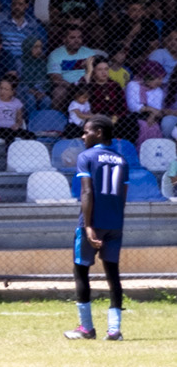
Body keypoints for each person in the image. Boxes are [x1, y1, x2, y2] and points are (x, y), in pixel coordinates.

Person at [67, 117, 131, 341]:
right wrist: (115, 220)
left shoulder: (86, 157)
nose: (83, 136)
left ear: (99, 132)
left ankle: (86, 328)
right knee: (112, 274)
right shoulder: (122, 160)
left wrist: (88, 226)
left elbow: (86, 192)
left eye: (86, 132)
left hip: (92, 222)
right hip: (115, 223)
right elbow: (122, 196)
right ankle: (114, 330)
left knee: (81, 270)